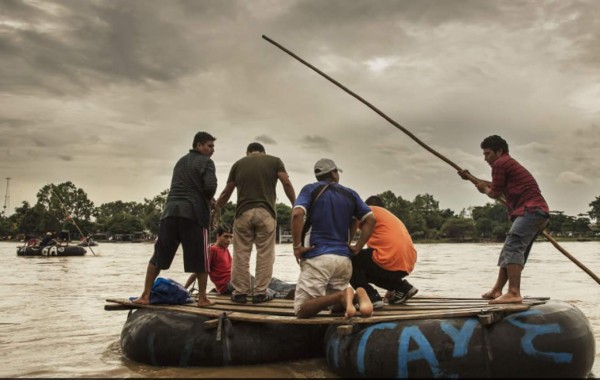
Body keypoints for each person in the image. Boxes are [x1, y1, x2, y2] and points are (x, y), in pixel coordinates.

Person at [459, 135, 550, 304]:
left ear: (499, 151)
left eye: (487, 154)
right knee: (511, 249)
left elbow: (494, 192)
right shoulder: (507, 164)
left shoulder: (500, 163)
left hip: (530, 211)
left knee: (513, 247)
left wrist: (484, 190)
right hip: (537, 212)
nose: (485, 158)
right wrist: (471, 178)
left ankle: (514, 292)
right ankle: (497, 290)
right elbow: (496, 185)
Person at [132, 131, 218, 307]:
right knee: (200, 258)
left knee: (158, 256)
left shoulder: (180, 162)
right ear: (199, 146)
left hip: (170, 213)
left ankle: (145, 295)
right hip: (194, 214)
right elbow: (210, 187)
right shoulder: (206, 162)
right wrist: (209, 199)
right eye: (209, 146)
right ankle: (202, 298)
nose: (212, 150)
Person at [291, 158, 376, 319]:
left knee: (302, 309)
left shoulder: (310, 189)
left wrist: (297, 247)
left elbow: (297, 214)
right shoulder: (350, 193)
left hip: (318, 256)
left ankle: (341, 296)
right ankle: (357, 295)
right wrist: (357, 246)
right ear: (333, 173)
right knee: (337, 309)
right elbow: (370, 219)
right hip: (343, 259)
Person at [215, 142, 296, 304]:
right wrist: (296, 204)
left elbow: (226, 192)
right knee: (265, 254)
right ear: (263, 152)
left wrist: (216, 210)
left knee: (241, 254)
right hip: (266, 213)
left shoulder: (238, 164)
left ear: (247, 153)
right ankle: (260, 293)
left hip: (243, 214)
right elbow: (286, 182)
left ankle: (240, 293)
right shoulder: (275, 161)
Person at [184, 224, 296, 299]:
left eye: (230, 237)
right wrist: (185, 288)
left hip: (237, 278)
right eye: (225, 237)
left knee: (269, 280)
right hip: (227, 284)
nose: (228, 240)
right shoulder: (212, 250)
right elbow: (199, 271)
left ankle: (294, 288)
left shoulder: (225, 249)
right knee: (259, 287)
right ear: (218, 236)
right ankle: (283, 297)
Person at [350, 195, 418, 308]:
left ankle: (371, 297)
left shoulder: (369, 209)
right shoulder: (389, 217)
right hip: (407, 262)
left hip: (389, 257)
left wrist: (348, 245)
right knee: (365, 269)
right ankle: (402, 287)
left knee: (349, 260)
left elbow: (353, 222)